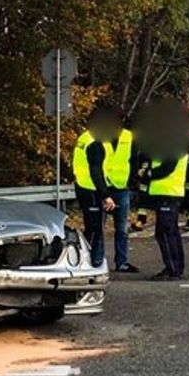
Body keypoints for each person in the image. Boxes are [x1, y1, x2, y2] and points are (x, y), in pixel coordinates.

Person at [72, 106, 118, 268]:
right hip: (92, 190)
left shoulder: (85, 137)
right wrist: (106, 195)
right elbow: (95, 171)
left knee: (91, 228)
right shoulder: (95, 143)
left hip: (83, 187)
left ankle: (88, 261)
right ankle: (88, 263)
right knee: (94, 230)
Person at [145, 151, 188, 281]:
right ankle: (176, 267)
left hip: (168, 193)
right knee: (171, 233)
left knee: (165, 233)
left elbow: (167, 167)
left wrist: (148, 173)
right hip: (170, 192)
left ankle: (172, 270)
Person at [104, 116, 140, 273]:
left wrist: (132, 180)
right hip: (104, 189)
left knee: (122, 229)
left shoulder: (129, 136)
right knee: (98, 229)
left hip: (121, 188)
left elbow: (134, 159)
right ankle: (96, 261)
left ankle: (122, 262)